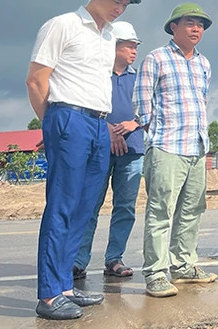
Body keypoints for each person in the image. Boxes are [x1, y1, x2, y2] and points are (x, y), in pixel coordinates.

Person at [26, 0, 141, 320]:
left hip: (98, 124)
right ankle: (48, 295)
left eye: (126, 3)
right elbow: (36, 79)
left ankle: (64, 284)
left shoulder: (109, 37)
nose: (120, 7)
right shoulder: (62, 25)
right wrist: (54, 123)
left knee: (85, 206)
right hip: (67, 116)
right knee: (62, 204)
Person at [133, 3, 217, 298]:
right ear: (173, 27)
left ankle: (183, 267)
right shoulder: (156, 58)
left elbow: (202, 102)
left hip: (196, 148)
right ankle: (156, 273)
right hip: (167, 146)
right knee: (160, 211)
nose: (197, 29)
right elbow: (142, 103)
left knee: (192, 209)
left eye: (201, 26)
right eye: (191, 23)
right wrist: (154, 134)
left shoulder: (203, 63)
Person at [73, 22, 145, 280]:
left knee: (125, 207)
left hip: (133, 148)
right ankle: (78, 260)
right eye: (128, 46)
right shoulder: (96, 75)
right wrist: (108, 131)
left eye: (136, 46)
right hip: (98, 148)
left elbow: (153, 109)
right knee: (90, 204)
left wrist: (134, 123)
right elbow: (83, 108)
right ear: (113, 46)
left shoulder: (139, 79)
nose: (134, 51)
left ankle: (114, 258)